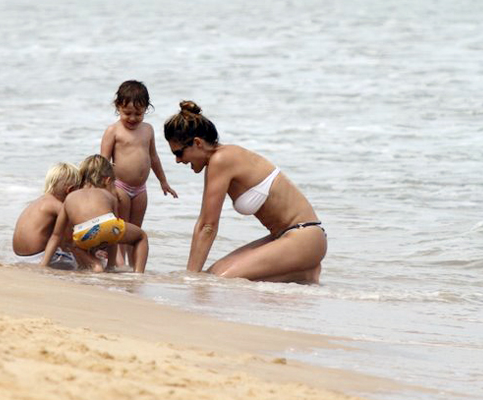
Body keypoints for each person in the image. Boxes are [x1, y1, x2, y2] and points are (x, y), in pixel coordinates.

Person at [163, 101, 327, 283]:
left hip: (304, 237)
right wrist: (193, 276)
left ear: (197, 143)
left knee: (218, 282)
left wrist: (190, 279)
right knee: (212, 276)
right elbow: (205, 224)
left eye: (178, 153)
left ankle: (304, 272)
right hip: (287, 237)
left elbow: (207, 226)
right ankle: (302, 274)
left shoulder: (221, 159)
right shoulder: (220, 159)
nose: (178, 161)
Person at [100, 80, 177, 265]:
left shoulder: (148, 130)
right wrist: (106, 187)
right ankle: (119, 263)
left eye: (138, 114)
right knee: (121, 227)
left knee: (135, 230)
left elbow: (154, 158)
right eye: (128, 113)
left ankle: (134, 268)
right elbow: (103, 161)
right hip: (120, 187)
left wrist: (163, 182)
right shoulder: (113, 131)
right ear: (118, 106)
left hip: (140, 189)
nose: (133, 118)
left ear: (146, 110)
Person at [39, 155, 149, 273]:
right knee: (140, 237)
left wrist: (44, 264)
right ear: (107, 180)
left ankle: (94, 265)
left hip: (82, 233)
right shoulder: (108, 196)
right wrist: (112, 262)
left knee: (74, 245)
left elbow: (56, 235)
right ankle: (130, 272)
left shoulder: (70, 197)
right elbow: (115, 227)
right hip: (109, 226)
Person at [12, 162, 81, 269]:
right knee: (77, 261)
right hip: (38, 258)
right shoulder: (58, 206)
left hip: (19, 258)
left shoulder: (38, 202)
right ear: (70, 190)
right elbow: (69, 239)